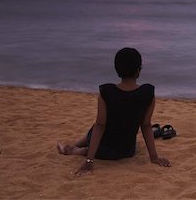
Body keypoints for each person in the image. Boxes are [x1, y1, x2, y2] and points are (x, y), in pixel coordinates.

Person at [57, 47, 171, 176]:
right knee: (100, 129)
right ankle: (74, 147)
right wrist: (154, 157)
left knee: (96, 126)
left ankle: (74, 149)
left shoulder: (106, 92)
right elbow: (145, 125)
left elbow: (100, 126)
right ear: (138, 71)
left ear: (117, 70)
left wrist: (89, 161)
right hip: (127, 150)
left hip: (103, 150)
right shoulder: (148, 93)